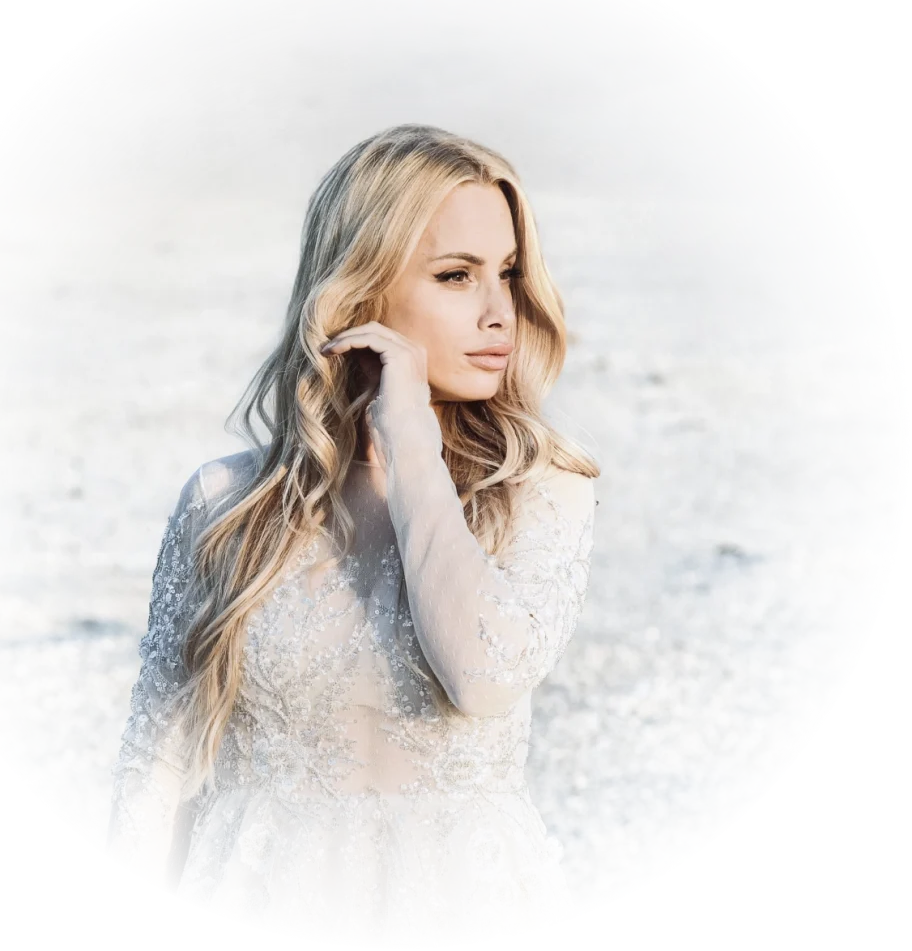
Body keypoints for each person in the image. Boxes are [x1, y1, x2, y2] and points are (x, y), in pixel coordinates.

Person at [105, 123, 599, 947]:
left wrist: (412, 444)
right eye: (456, 275)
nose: (498, 312)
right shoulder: (226, 504)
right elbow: (157, 770)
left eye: (508, 274)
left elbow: (483, 676)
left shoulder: (541, 491)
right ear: (360, 292)